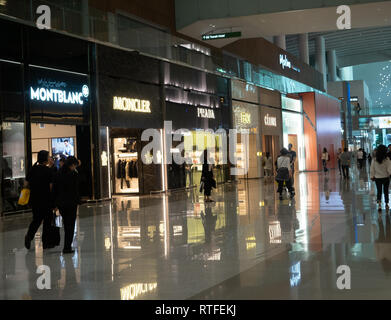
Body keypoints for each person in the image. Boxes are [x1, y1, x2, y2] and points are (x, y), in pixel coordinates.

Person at [24, 150, 54, 250]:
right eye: (48, 156)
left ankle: (29, 236)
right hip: (46, 199)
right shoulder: (48, 171)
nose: (50, 158)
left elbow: (26, 184)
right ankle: (45, 243)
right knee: (47, 221)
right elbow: (50, 187)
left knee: (36, 220)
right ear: (45, 158)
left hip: (35, 199)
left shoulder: (32, 169)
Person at [53, 156, 80, 254]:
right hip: (71, 203)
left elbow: (54, 190)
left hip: (61, 203)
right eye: (75, 166)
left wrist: (55, 203)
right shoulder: (73, 174)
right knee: (70, 225)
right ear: (72, 165)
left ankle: (66, 246)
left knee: (66, 223)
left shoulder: (58, 173)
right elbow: (76, 190)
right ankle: (67, 247)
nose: (75, 168)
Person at [370, 144, 391, 211]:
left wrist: (372, 176)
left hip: (377, 178)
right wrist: (390, 174)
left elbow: (372, 169)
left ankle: (379, 205)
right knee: (386, 191)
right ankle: (387, 204)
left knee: (379, 191)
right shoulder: (387, 159)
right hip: (386, 177)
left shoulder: (374, 159)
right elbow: (389, 169)